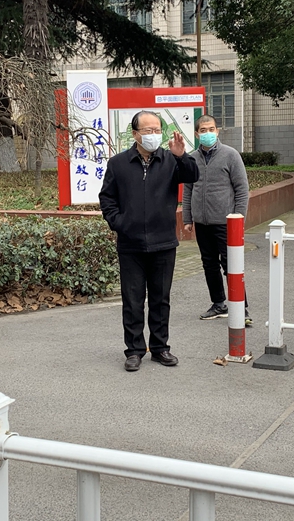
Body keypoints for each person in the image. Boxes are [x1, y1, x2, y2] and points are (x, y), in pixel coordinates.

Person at [99, 110, 199, 372]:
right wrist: (119, 223)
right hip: (130, 244)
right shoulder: (118, 164)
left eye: (157, 130)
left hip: (163, 242)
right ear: (135, 134)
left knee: (160, 299)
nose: (154, 135)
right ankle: (134, 350)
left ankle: (160, 347)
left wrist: (182, 156)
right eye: (148, 131)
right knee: (132, 301)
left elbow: (192, 175)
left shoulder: (170, 160)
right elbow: (107, 198)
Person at [182, 115, 251, 325]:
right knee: (209, 264)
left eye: (211, 129)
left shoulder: (230, 155)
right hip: (202, 223)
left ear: (217, 131)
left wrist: (239, 218)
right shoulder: (192, 158)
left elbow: (242, 189)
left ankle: (241, 308)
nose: (208, 133)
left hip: (226, 222)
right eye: (203, 130)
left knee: (231, 264)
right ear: (197, 134)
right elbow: (188, 190)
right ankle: (218, 304)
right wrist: (187, 218)